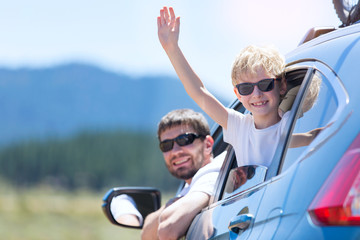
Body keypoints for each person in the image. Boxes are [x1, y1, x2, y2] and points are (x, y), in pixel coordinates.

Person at [157, 7, 289, 167]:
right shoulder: (239, 127)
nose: (257, 93)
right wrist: (172, 48)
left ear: (281, 86)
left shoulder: (291, 125)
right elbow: (198, 92)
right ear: (237, 94)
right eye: (246, 88)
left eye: (265, 84)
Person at [141, 109, 225, 240]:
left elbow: (168, 229)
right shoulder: (188, 188)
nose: (175, 151)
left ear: (208, 144)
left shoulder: (216, 173)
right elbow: (146, 235)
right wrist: (173, 203)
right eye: (166, 145)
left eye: (184, 139)